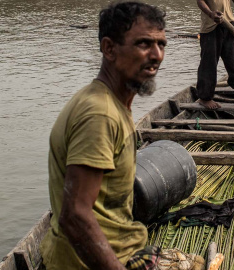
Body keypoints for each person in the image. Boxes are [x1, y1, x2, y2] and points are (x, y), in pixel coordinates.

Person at [39, 2, 167, 270]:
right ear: (109, 48)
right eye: (144, 44)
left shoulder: (109, 102)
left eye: (161, 44)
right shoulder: (100, 115)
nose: (156, 55)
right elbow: (74, 215)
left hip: (122, 245)